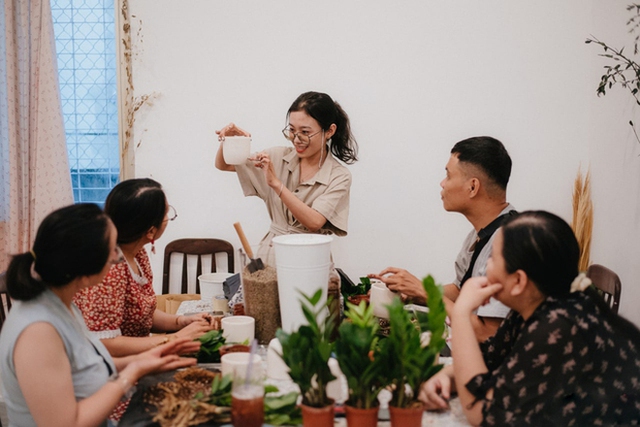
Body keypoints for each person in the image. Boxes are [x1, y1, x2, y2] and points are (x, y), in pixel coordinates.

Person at [419, 211, 640, 426]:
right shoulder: (532, 307)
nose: (486, 267)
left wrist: (460, 314)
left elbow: (484, 413)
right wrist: (445, 378)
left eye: (493, 258)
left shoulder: (558, 326)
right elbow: (489, 365)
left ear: (518, 281)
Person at [0, 204, 199, 427]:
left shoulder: (61, 301)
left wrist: (143, 360)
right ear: (85, 275)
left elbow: (85, 365)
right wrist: (130, 374)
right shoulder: (37, 332)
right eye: (112, 251)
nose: (118, 256)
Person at [73, 179, 214, 421]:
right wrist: (175, 339)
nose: (168, 218)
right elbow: (104, 343)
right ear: (150, 231)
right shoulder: (111, 268)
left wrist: (181, 321)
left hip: (136, 366)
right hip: (110, 383)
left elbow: (144, 311)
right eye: (167, 214)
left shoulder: (137, 253)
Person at [371, 136, 514, 342]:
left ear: (473, 187)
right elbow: (459, 290)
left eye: (448, 175)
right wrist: (412, 292)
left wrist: (426, 292)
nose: (442, 183)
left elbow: (487, 333)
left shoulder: (509, 242)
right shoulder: (481, 232)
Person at [215, 91, 358, 267]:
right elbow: (225, 165)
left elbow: (314, 222)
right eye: (291, 130)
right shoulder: (277, 156)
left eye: (305, 132)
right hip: (271, 256)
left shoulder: (338, 176)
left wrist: (276, 185)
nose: (296, 139)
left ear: (329, 131)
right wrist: (229, 141)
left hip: (311, 260)